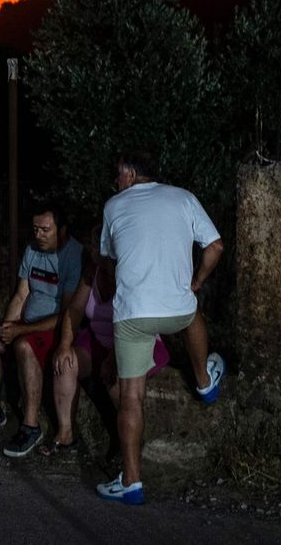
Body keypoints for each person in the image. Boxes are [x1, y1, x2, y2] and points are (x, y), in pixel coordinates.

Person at [95, 151, 225, 505]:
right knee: (192, 312)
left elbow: (107, 261)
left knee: (131, 398)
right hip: (177, 311)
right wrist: (196, 280)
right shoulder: (184, 198)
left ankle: (132, 482)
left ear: (131, 172)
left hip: (132, 316)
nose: (115, 181)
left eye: (118, 175)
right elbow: (215, 247)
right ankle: (204, 382)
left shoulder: (112, 206)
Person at [0, 202, 83, 457]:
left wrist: (19, 333)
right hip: (28, 324)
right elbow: (21, 294)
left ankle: (30, 425)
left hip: (55, 326)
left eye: (45, 230)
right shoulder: (32, 250)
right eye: (35, 229)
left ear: (62, 230)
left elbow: (68, 313)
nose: (39, 235)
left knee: (24, 346)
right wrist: (7, 326)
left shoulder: (73, 256)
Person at [42, 249, 170, 456]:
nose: (95, 249)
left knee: (118, 381)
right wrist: (65, 344)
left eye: (99, 242)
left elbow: (131, 322)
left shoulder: (131, 274)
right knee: (65, 362)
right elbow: (74, 310)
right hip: (97, 340)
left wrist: (113, 359)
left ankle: (130, 443)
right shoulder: (92, 272)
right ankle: (66, 434)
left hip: (133, 341)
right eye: (93, 243)